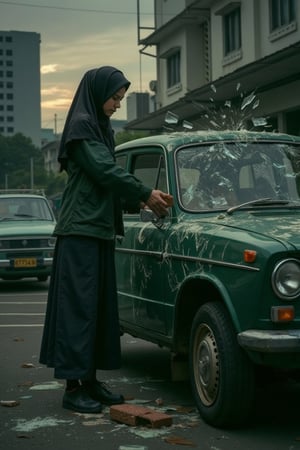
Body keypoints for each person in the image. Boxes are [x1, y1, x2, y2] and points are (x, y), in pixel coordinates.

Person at [39, 66, 172, 414]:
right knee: (78, 310)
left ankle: (90, 382)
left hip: (97, 230)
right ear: (98, 94)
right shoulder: (83, 125)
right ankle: (73, 388)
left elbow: (105, 185)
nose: (117, 105)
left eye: (121, 99)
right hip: (79, 232)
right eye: (114, 98)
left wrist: (144, 199)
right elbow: (104, 172)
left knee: (97, 310)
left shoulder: (100, 128)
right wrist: (144, 193)